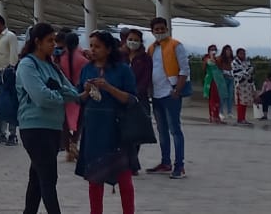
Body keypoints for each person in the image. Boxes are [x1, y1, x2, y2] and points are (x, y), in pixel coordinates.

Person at [15, 23, 80, 214]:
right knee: (48, 178)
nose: (54, 44)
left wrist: (58, 93)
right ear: (37, 42)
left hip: (52, 127)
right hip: (34, 128)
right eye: (49, 40)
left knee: (37, 177)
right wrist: (59, 96)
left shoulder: (51, 65)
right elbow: (40, 97)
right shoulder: (28, 64)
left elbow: (71, 90)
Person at [76, 31, 137, 214]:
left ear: (108, 49)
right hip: (94, 129)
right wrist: (86, 91)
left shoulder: (123, 69)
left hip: (116, 129)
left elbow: (132, 98)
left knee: (124, 178)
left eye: (97, 46)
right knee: (94, 179)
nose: (93, 50)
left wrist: (108, 88)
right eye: (91, 45)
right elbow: (79, 98)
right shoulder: (87, 69)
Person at [146, 17, 188, 179]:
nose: (160, 31)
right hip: (156, 95)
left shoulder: (176, 45)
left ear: (167, 29)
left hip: (170, 94)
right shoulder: (151, 48)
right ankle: (165, 162)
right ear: (152, 31)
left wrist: (177, 90)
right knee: (162, 130)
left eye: (162, 28)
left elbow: (184, 69)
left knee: (175, 130)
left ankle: (180, 165)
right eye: (156, 29)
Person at [0, 14, 20, 145]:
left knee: (10, 102)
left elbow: (13, 56)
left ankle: (12, 134)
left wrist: (10, 72)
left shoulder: (10, 36)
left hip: (6, 74)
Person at [57, 31, 88, 162]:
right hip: (79, 93)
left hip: (64, 93)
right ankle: (74, 143)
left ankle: (69, 148)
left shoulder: (60, 58)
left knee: (64, 123)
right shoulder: (83, 60)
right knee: (79, 122)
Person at [125, 29, 153, 172]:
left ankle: (133, 163)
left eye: (136, 40)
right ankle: (127, 162)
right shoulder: (121, 56)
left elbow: (146, 79)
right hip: (121, 98)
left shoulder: (145, 58)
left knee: (136, 131)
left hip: (138, 99)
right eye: (130, 39)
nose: (133, 42)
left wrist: (135, 93)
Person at [202, 44, 226, 124]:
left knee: (217, 98)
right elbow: (209, 64)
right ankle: (212, 116)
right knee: (212, 98)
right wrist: (211, 57)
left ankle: (216, 115)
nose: (213, 51)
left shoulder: (217, 59)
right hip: (210, 80)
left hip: (218, 80)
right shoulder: (206, 58)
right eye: (212, 49)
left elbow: (221, 67)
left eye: (215, 49)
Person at [232, 48, 256, 125]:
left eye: (244, 53)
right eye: (241, 53)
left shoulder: (247, 62)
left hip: (247, 85)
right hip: (240, 84)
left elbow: (250, 70)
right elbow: (236, 72)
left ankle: (243, 118)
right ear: (238, 54)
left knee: (245, 102)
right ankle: (240, 118)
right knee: (240, 102)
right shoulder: (234, 62)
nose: (243, 55)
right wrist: (247, 72)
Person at [218, 45, 236, 122]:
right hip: (224, 78)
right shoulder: (221, 58)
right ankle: (220, 111)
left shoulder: (232, 59)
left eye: (229, 50)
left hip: (231, 78)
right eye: (227, 50)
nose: (228, 51)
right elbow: (218, 67)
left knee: (230, 95)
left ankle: (229, 112)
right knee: (223, 95)